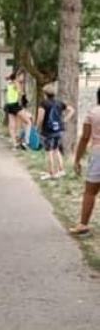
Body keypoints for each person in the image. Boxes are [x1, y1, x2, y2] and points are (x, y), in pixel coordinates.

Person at [70, 87, 100, 236]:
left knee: (90, 192)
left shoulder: (93, 113)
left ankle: (83, 225)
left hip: (98, 154)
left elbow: (84, 138)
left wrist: (77, 159)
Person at [35, 82, 74, 180]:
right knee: (56, 150)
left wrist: (36, 127)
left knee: (49, 152)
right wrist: (64, 120)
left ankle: (51, 173)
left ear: (45, 94)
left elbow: (40, 118)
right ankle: (61, 170)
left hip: (48, 131)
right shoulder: (59, 103)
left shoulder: (43, 104)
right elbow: (72, 110)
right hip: (59, 130)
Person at [3, 72, 24, 148]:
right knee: (19, 124)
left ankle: (14, 143)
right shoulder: (16, 83)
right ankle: (18, 140)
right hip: (15, 104)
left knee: (12, 125)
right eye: (21, 76)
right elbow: (20, 93)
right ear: (17, 77)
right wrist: (21, 90)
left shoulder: (9, 83)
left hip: (9, 104)